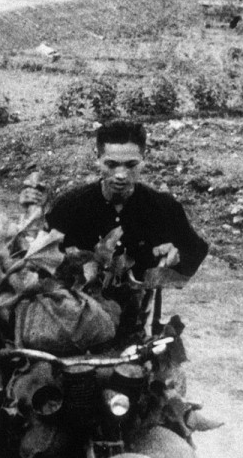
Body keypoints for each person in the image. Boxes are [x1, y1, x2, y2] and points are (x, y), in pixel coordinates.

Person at [29, 121, 209, 337]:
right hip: (75, 322)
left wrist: (174, 259)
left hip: (137, 323)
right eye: (111, 164)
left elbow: (194, 252)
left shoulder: (164, 208)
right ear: (97, 158)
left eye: (131, 165)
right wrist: (31, 214)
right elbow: (35, 257)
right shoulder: (71, 205)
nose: (121, 174)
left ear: (144, 160)